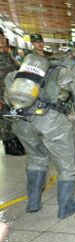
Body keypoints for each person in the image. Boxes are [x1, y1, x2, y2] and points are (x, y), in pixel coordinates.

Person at [4, 46, 75, 219]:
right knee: (68, 166)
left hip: (23, 122)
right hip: (52, 122)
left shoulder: (23, 74)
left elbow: (9, 98)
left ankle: (33, 203)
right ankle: (66, 207)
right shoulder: (66, 73)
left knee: (36, 159)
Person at [0, 28, 23, 156]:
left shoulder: (7, 55)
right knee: (4, 121)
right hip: (1, 95)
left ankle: (14, 140)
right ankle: (8, 144)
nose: (2, 39)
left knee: (12, 118)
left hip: (13, 94)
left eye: (2, 37)